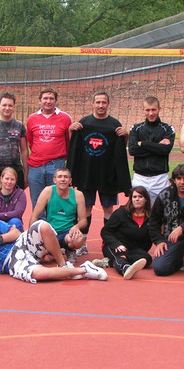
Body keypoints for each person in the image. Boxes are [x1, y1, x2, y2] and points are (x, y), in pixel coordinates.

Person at [0, 200, 108, 283]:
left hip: (20, 244)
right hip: (9, 262)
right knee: (38, 274)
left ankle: (63, 264)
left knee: (41, 225)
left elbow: (15, 232)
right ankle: (85, 270)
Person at [67, 91, 131, 256]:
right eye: (98, 102)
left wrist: (125, 136)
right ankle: (83, 242)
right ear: (93, 104)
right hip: (86, 174)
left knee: (108, 209)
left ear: (108, 104)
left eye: (104, 102)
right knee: (86, 209)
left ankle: (107, 243)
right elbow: (74, 147)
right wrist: (71, 130)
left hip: (107, 175)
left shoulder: (114, 124)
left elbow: (121, 149)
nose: (101, 105)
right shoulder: (84, 123)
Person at [25, 88, 72, 208]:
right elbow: (31, 140)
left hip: (56, 165)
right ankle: (39, 226)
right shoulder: (32, 119)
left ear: (56, 101)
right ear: (40, 101)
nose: (48, 101)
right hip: (35, 166)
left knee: (56, 201)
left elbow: (69, 140)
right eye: (45, 98)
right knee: (37, 201)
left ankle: (55, 226)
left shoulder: (65, 118)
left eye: (51, 98)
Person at [29, 167, 87, 263]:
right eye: (60, 177)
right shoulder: (48, 191)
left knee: (78, 240)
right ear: (54, 180)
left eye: (66, 177)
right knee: (40, 259)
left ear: (70, 180)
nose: (63, 179)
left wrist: (76, 227)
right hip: (50, 232)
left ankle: (70, 250)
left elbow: (84, 221)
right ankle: (52, 251)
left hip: (67, 232)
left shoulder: (78, 195)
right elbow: (35, 215)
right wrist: (30, 236)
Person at [127, 96, 175, 205]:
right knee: (137, 211)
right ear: (143, 110)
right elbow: (133, 150)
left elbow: (165, 150)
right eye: (147, 110)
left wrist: (143, 144)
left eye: (153, 109)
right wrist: (157, 146)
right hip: (140, 177)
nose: (151, 113)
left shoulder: (167, 128)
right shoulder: (136, 128)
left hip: (160, 178)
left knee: (162, 212)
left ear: (159, 109)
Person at [99, 186, 152, 280]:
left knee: (147, 259)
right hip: (115, 245)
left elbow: (153, 234)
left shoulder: (150, 217)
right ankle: (125, 269)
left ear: (146, 199)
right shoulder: (121, 213)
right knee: (120, 256)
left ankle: (109, 262)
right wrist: (116, 244)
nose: (137, 199)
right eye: (134, 197)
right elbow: (105, 231)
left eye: (140, 197)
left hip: (134, 248)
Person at [0, 92, 28, 192]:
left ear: (14, 107)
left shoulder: (19, 126)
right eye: (4, 105)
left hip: (16, 169)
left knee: (16, 202)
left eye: (10, 105)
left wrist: (26, 173)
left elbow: (24, 150)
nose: (7, 108)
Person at [0, 167, 27, 231]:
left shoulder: (20, 194)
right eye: (7, 179)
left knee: (15, 221)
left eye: (12, 179)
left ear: (16, 181)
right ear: (1, 179)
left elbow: (18, 213)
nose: (9, 182)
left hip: (14, 227)